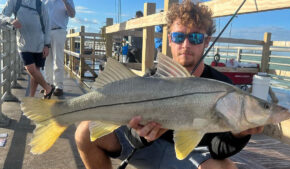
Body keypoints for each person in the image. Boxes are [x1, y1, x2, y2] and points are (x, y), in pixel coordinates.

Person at [75, 1, 264, 169]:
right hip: (147, 149)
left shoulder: (223, 87)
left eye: (195, 38)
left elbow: (218, 150)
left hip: (193, 154)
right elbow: (129, 130)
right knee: (84, 132)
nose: (186, 45)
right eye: (179, 37)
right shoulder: (151, 79)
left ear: (206, 41)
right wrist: (141, 135)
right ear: (169, 39)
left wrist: (239, 135)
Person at [0, 0, 54, 98]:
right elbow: (1, 16)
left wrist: (47, 45)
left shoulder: (40, 4)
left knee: (36, 71)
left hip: (40, 43)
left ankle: (31, 97)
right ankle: (48, 88)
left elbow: (47, 25)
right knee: (31, 69)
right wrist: (11, 20)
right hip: (23, 43)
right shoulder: (14, 2)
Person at [44, 0, 75, 96]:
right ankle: (48, 85)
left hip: (59, 31)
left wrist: (65, 2)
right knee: (47, 61)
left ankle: (59, 86)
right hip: (46, 32)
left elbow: (72, 14)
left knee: (58, 59)